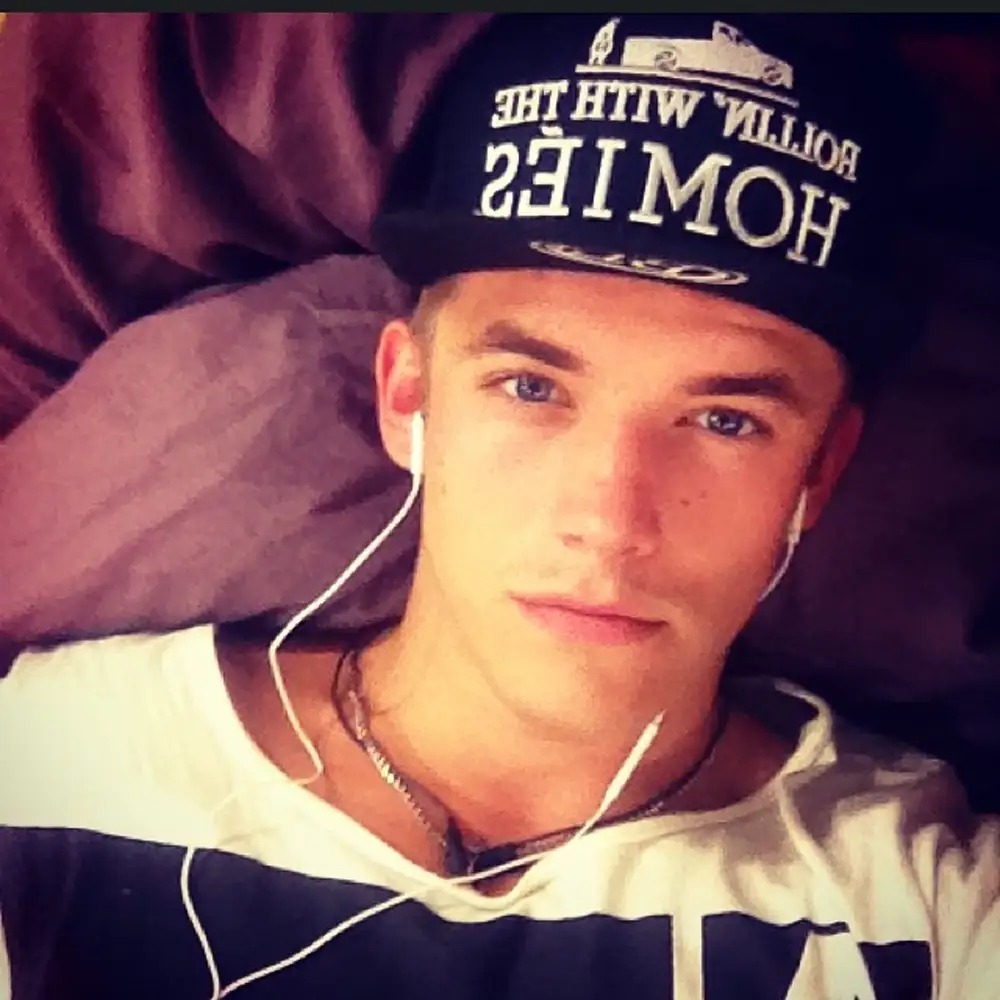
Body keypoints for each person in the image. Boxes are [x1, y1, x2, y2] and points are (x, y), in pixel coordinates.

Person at [1, 13, 997, 1000]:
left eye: (725, 419)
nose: (608, 523)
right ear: (408, 397)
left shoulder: (930, 896)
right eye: (531, 387)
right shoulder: (49, 766)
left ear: (819, 472)